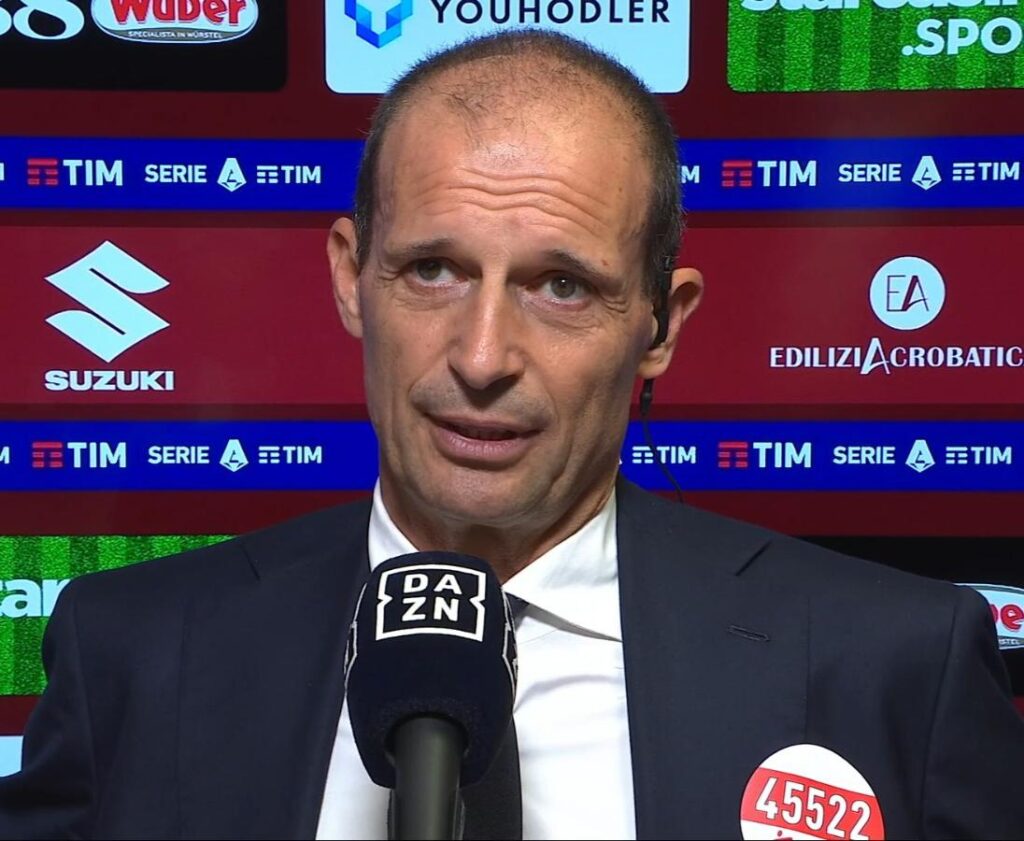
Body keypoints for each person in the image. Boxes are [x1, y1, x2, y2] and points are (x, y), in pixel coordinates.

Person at [2, 29, 1023, 840]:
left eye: (560, 285)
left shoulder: (893, 665)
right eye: (432, 270)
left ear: (660, 326)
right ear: (351, 278)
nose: (482, 355)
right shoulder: (132, 654)